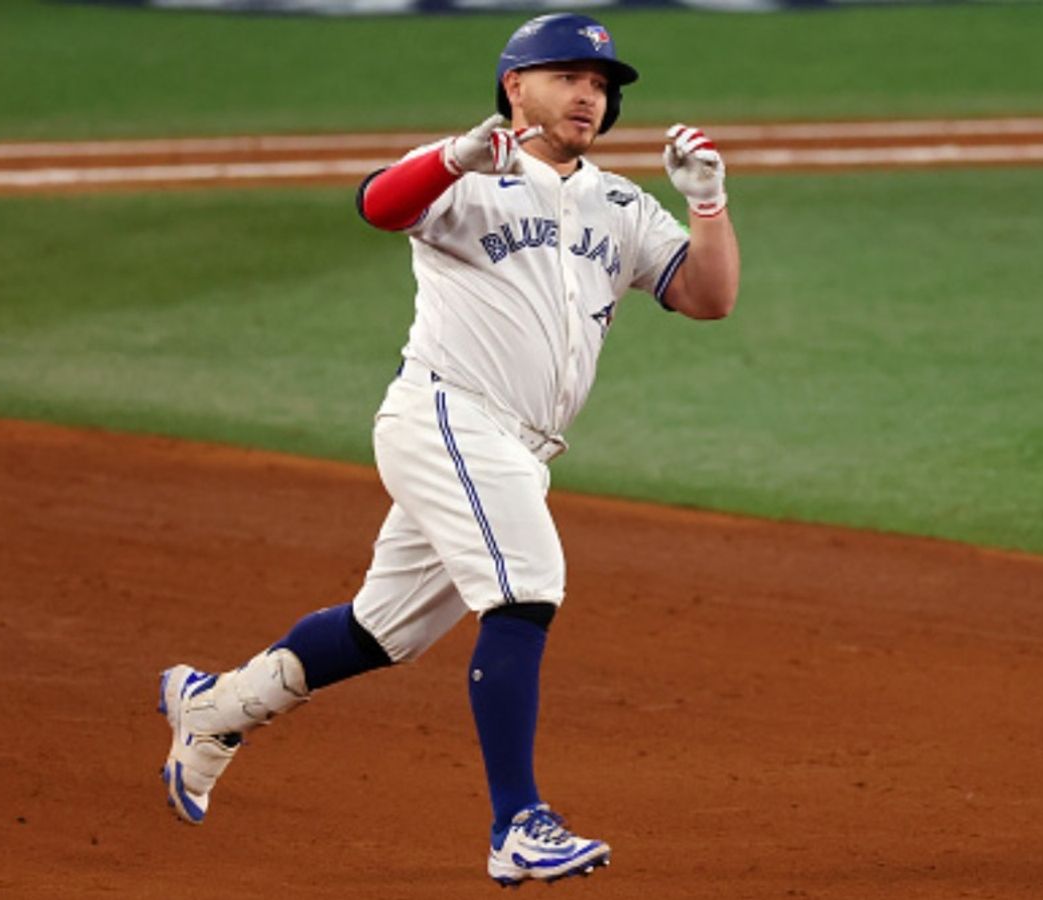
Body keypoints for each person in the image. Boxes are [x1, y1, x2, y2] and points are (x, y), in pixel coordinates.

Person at [158, 11, 740, 887]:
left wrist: (707, 203)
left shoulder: (619, 203)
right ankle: (519, 824)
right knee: (528, 583)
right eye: (570, 77)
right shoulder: (467, 172)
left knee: (379, 630)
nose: (590, 94)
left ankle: (218, 705)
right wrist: (458, 157)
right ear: (516, 86)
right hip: (445, 414)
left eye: (602, 85)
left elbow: (706, 297)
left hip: (516, 445)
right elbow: (375, 204)